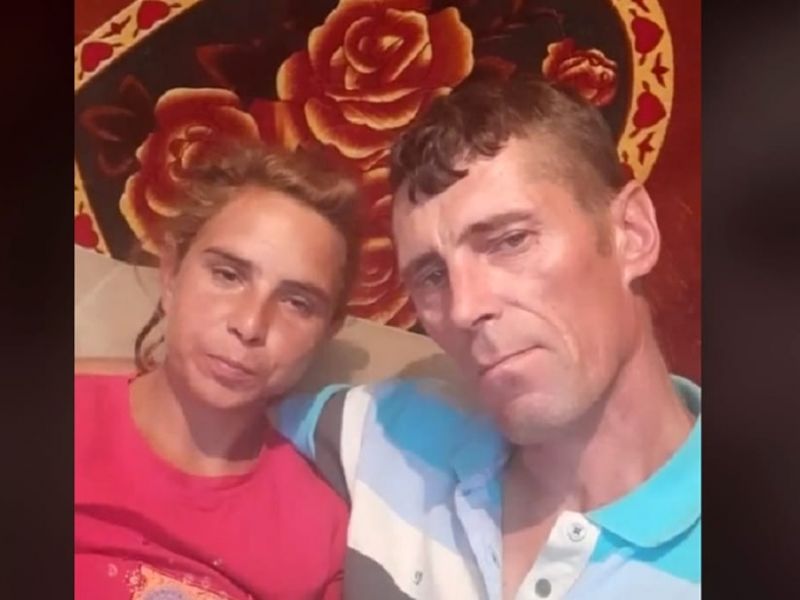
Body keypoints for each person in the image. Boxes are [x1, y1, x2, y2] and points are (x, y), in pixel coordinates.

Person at [276, 74, 701, 599]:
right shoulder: (390, 430)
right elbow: (200, 426)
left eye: (510, 241)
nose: (464, 308)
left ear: (631, 234)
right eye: (432, 276)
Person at [74, 140, 361, 599]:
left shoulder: (321, 531)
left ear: (327, 331)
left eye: (297, 302)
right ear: (171, 273)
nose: (250, 324)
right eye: (228, 275)